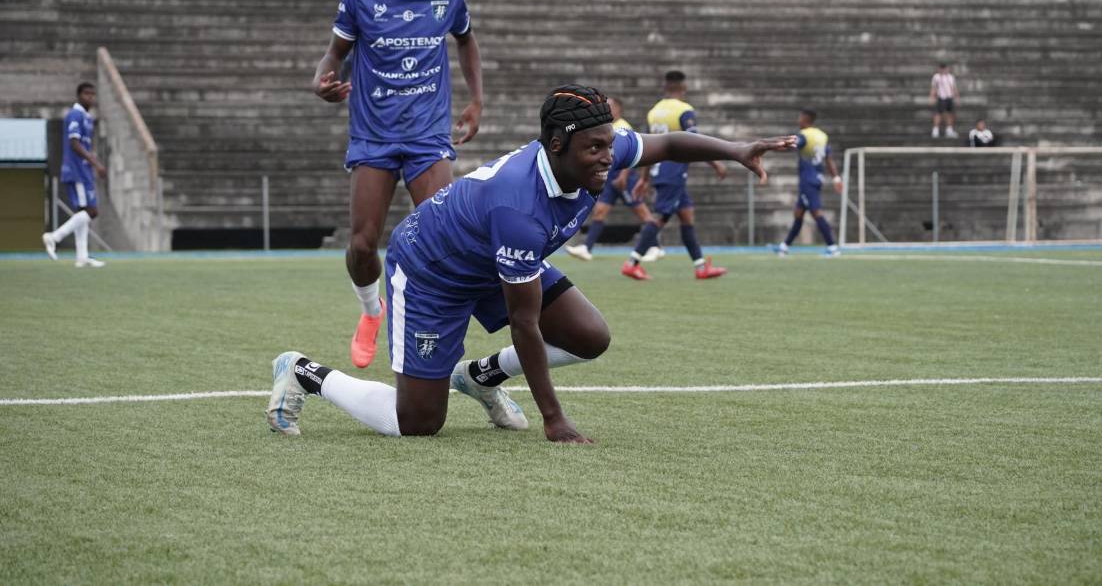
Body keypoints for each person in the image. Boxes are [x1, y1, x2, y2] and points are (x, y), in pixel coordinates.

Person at [265, 85, 795, 443]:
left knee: (589, 336)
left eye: (610, 145)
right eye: (594, 149)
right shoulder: (520, 206)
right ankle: (305, 372)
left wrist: (736, 149)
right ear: (557, 144)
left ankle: (478, 377)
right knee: (418, 423)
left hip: (495, 257)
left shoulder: (593, 147)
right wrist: (554, 418)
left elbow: (669, 144)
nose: (608, 157)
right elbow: (523, 321)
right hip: (432, 269)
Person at [312, 0, 484, 369]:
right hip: (373, 134)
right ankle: (373, 312)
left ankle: (438, 329)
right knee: (363, 245)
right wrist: (321, 82)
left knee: (447, 235)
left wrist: (476, 101)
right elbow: (335, 52)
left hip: (428, 134)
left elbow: (466, 40)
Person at [620, 71, 729, 281]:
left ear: (665, 86)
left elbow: (648, 146)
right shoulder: (684, 110)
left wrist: (644, 178)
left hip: (659, 170)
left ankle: (700, 266)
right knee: (660, 217)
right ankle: (632, 263)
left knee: (686, 215)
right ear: (683, 87)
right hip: (675, 171)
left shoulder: (654, 112)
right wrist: (716, 164)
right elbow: (695, 142)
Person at [565, 96, 663, 262]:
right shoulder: (607, 126)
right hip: (609, 178)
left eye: (610, 107)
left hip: (623, 178)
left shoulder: (623, 127)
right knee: (600, 212)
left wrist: (624, 176)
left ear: (618, 109)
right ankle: (586, 248)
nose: (607, 109)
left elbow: (630, 154)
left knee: (642, 213)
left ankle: (655, 246)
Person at [42, 83, 106, 268]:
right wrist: (96, 163)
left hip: (83, 170)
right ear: (78, 95)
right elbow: (74, 143)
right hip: (77, 170)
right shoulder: (75, 115)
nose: (90, 98)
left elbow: (84, 145)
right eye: (87, 94)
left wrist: (92, 162)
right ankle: (54, 237)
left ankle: (82, 257)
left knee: (82, 212)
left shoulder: (86, 117)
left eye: (93, 94)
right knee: (91, 211)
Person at [772, 109, 844, 257]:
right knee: (798, 213)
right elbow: (829, 159)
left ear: (805, 119)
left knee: (816, 213)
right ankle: (784, 247)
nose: (798, 120)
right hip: (817, 178)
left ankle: (832, 247)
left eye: (800, 117)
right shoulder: (822, 136)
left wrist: (769, 146)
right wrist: (836, 178)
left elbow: (792, 145)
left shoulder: (804, 135)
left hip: (807, 180)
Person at [929, 63, 959, 138]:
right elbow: (934, 87)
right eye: (942, 68)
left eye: (945, 68)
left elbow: (953, 87)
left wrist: (957, 97)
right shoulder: (937, 77)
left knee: (950, 114)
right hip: (941, 97)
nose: (944, 70)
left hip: (949, 97)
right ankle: (935, 130)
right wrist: (932, 97)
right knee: (938, 114)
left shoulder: (950, 77)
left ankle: (949, 130)